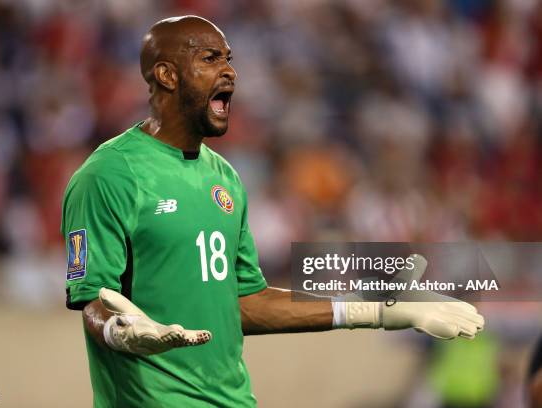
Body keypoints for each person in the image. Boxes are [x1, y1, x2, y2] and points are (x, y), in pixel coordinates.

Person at [61, 15, 484, 408]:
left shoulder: (224, 177)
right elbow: (94, 302)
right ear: (167, 75)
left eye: (230, 59)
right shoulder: (110, 175)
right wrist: (120, 332)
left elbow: (246, 303)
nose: (230, 72)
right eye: (210, 59)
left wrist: (378, 310)